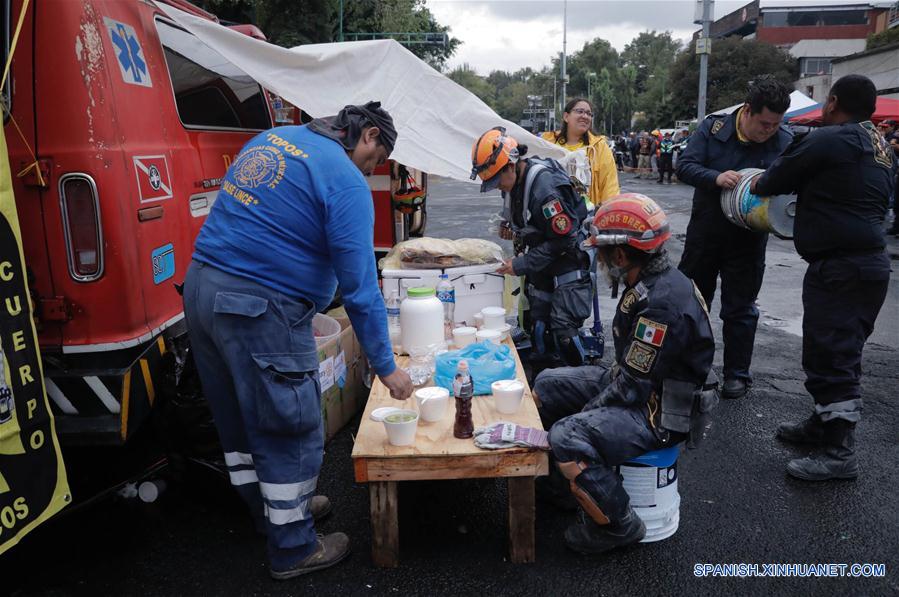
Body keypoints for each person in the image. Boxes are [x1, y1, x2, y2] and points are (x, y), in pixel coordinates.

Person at [182, 102, 413, 579]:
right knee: (289, 423)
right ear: (367, 135)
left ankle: (270, 513)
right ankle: (293, 545)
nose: (371, 171)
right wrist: (387, 367)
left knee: (240, 420)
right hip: (258, 308)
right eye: (375, 160)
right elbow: (361, 290)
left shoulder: (273, 140)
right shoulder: (344, 179)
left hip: (203, 293)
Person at [534, 193, 716, 554]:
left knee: (567, 434)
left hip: (660, 413)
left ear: (620, 255)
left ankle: (618, 524)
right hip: (641, 384)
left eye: (601, 252)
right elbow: (632, 372)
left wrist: (585, 414)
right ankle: (566, 488)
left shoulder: (662, 305)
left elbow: (632, 387)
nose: (598, 260)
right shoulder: (651, 278)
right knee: (547, 383)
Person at [751, 75, 893, 481]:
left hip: (841, 267)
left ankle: (839, 451)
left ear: (831, 103)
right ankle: (822, 423)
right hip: (867, 265)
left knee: (834, 355)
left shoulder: (830, 139)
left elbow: (770, 181)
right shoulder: (881, 146)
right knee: (835, 349)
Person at [676, 76, 793, 399]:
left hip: (749, 239)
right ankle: (691, 370)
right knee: (695, 304)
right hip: (706, 233)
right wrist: (715, 178)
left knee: (740, 309)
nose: (769, 130)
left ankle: (736, 374)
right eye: (764, 123)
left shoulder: (784, 140)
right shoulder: (714, 130)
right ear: (748, 111)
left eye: (775, 125)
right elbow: (684, 166)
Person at [472, 126, 593, 367]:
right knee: (537, 327)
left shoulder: (545, 191)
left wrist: (521, 264)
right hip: (544, 263)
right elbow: (528, 223)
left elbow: (564, 238)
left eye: (497, 180)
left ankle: (580, 379)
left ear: (510, 165)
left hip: (567, 261)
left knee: (562, 331)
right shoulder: (514, 183)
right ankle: (542, 383)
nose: (497, 186)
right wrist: (513, 231)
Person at [542, 98, 620, 206]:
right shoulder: (548, 143)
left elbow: (609, 184)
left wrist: (607, 211)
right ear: (566, 116)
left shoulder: (599, 147)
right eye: (580, 111)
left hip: (588, 215)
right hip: (554, 212)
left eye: (589, 113)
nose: (585, 116)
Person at [878, 119, 899, 235]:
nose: (883, 129)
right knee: (895, 201)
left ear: (892, 126)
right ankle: (896, 227)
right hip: (889, 168)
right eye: (882, 126)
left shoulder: (893, 135)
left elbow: (891, 147)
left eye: (886, 127)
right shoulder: (888, 135)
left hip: (892, 167)